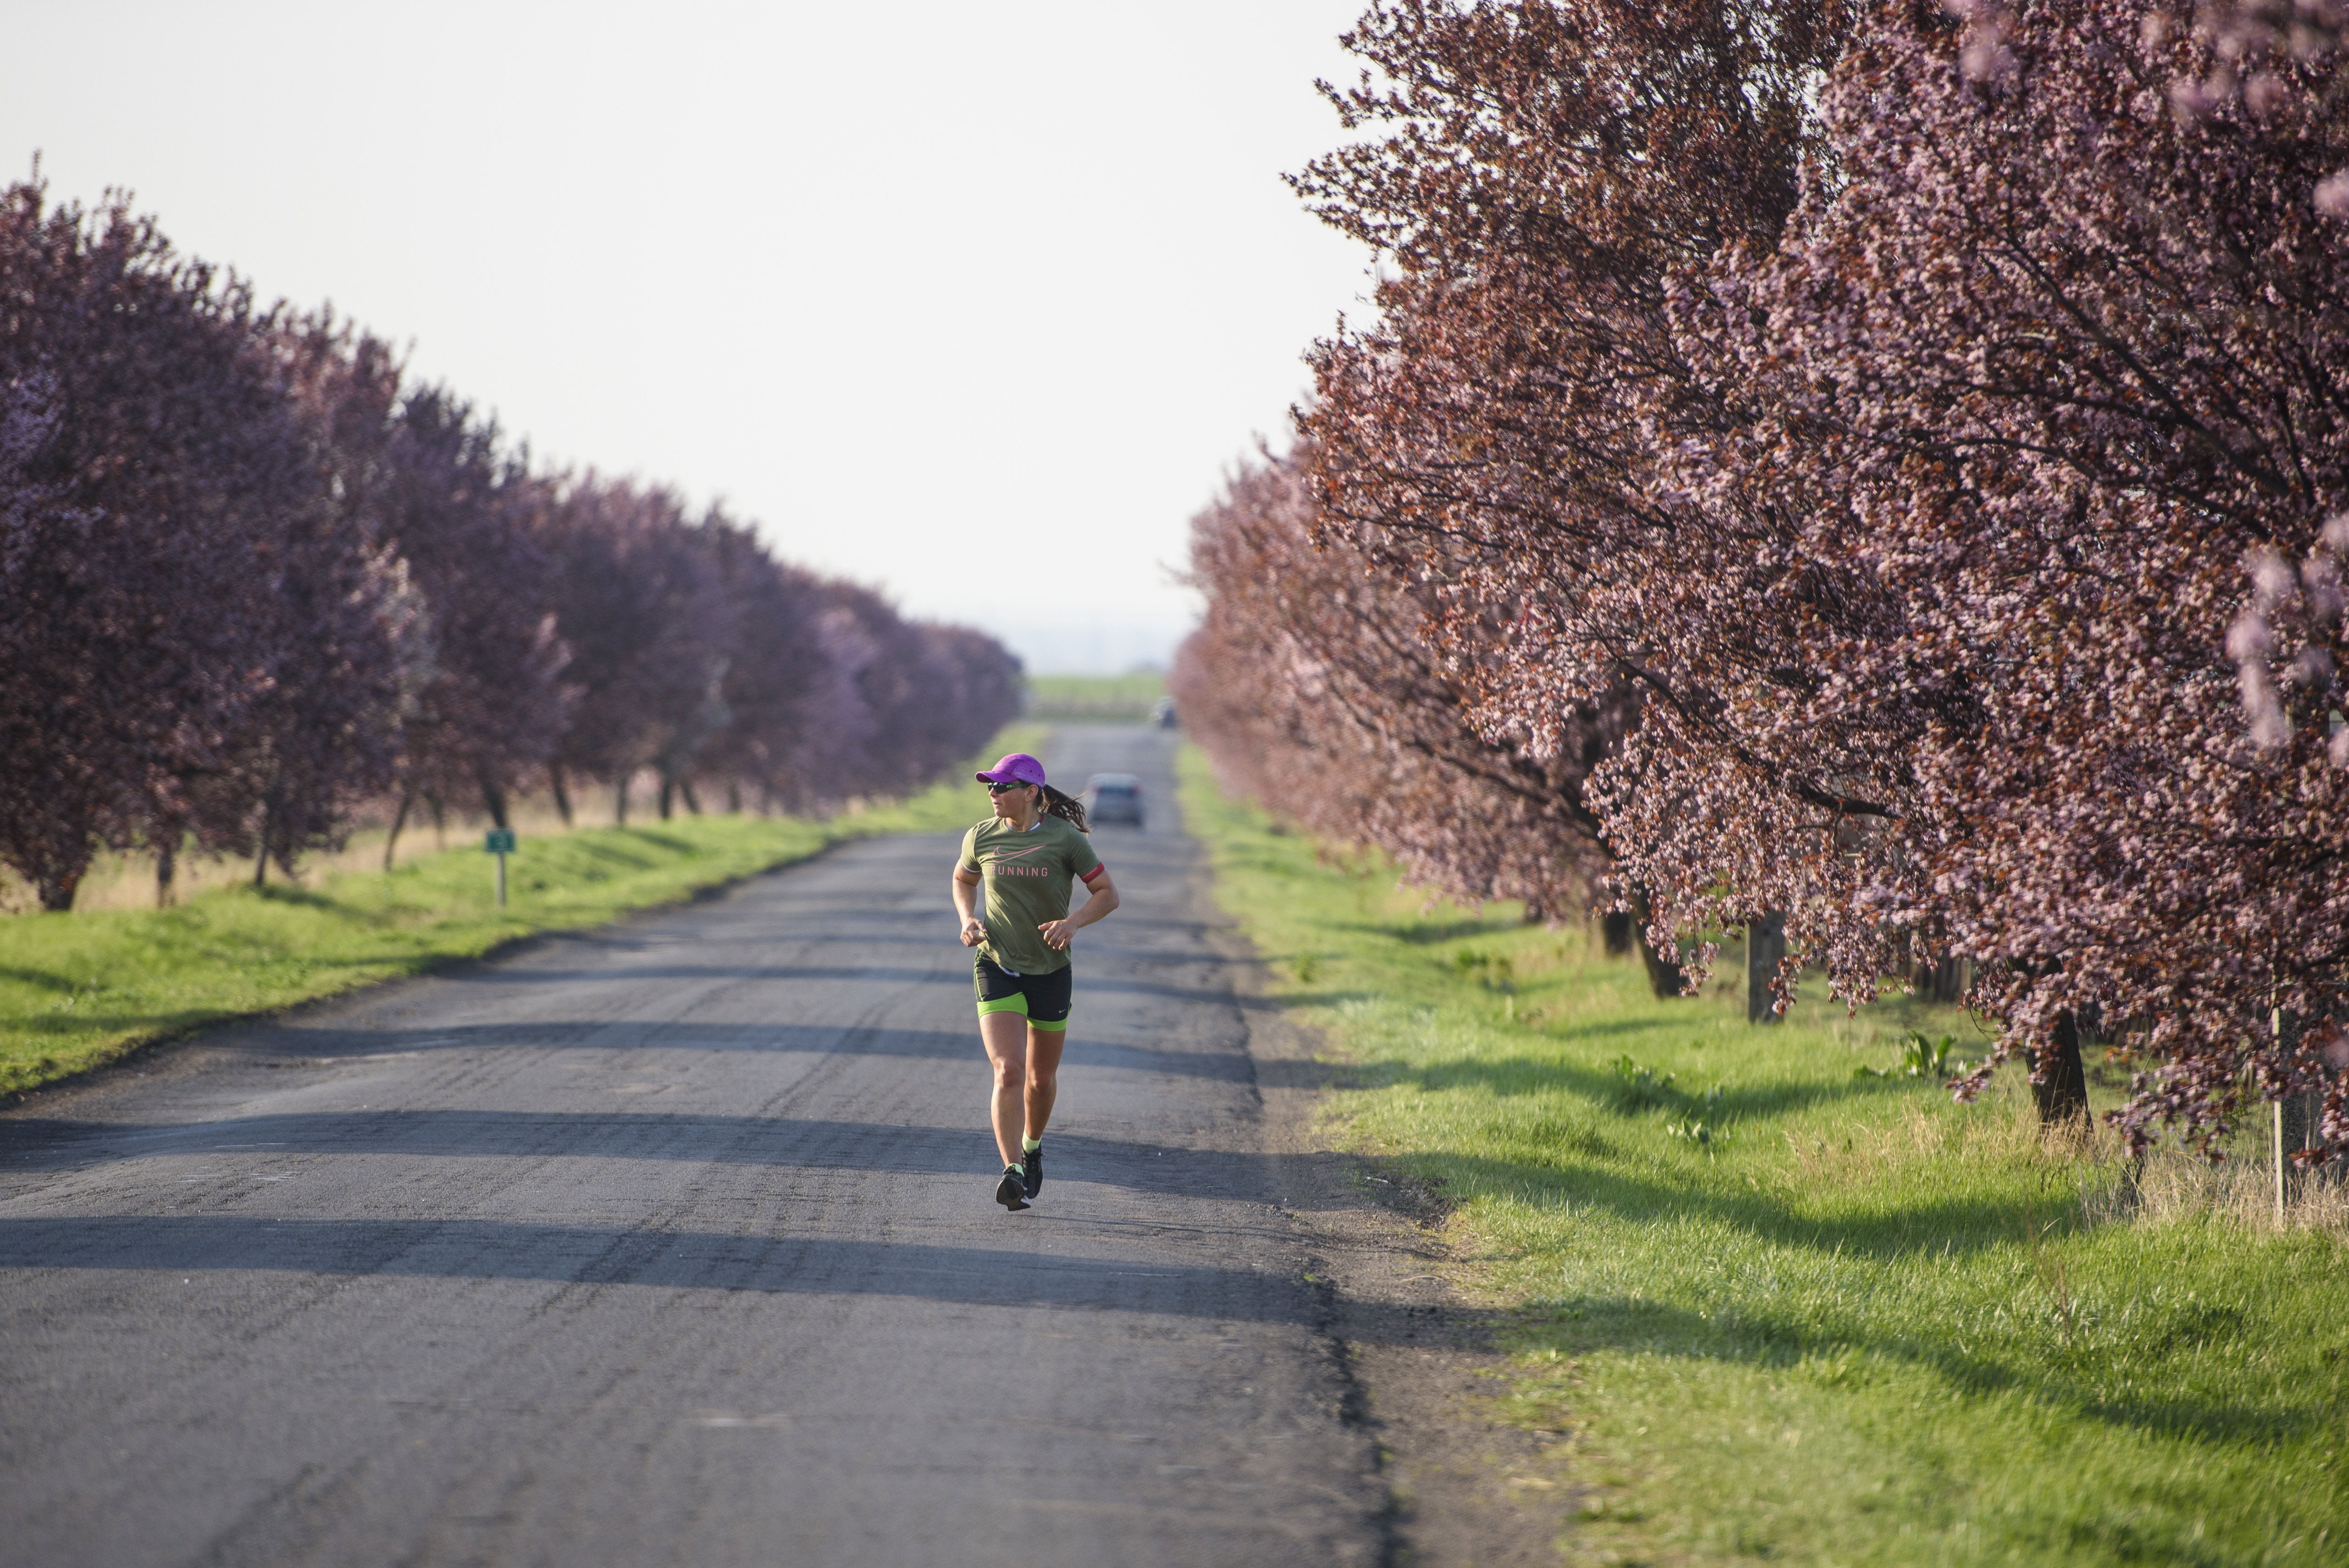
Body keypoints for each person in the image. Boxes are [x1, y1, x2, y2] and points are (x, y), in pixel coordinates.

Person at [952, 752, 1120, 1211]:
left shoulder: (1064, 839)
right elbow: (962, 879)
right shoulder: (981, 836)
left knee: (1041, 1081)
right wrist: (968, 919)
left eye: (1002, 787)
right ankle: (1012, 1171)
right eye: (989, 786)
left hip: (1050, 971)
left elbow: (1107, 894)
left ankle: (1031, 1147)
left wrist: (1072, 923)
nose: (993, 794)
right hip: (997, 964)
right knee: (1008, 1070)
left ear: (1030, 792)